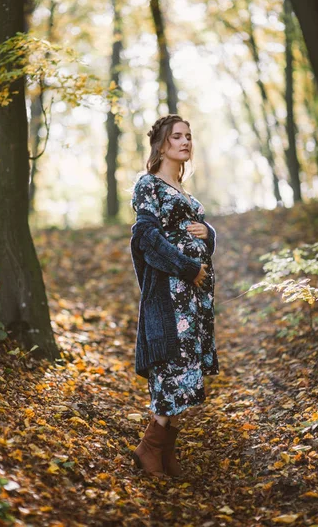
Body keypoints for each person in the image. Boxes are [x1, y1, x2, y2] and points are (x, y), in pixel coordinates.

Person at [130, 114, 219, 478]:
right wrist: (187, 267)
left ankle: (165, 453)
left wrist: (209, 234)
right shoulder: (148, 185)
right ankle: (149, 449)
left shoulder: (186, 193)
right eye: (176, 137)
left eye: (188, 136)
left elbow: (200, 235)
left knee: (185, 372)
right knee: (171, 369)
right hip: (170, 296)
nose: (185, 142)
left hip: (194, 300)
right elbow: (146, 239)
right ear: (161, 144)